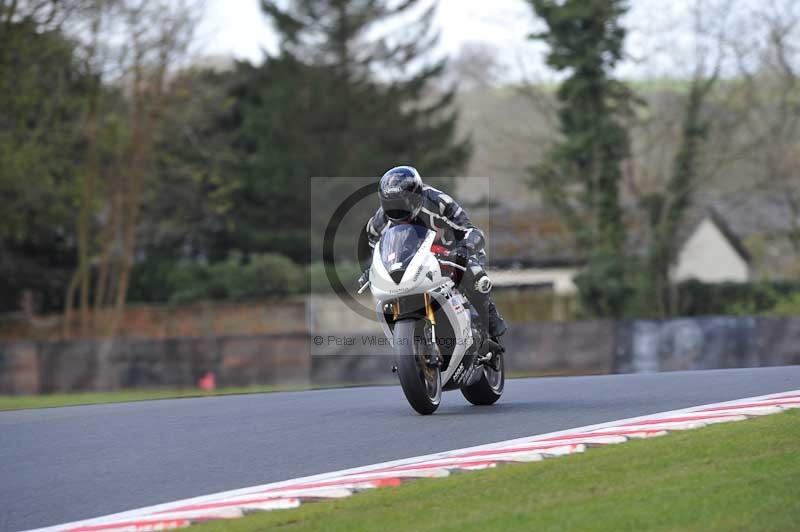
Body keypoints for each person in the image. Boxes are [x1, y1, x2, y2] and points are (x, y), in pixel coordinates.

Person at [361, 165, 507, 339]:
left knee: (473, 271)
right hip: (413, 262)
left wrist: (465, 248)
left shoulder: (439, 202)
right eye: (390, 205)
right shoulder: (378, 223)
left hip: (452, 251)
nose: (397, 210)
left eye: (402, 203)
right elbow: (376, 248)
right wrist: (372, 270)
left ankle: (488, 314)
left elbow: (470, 230)